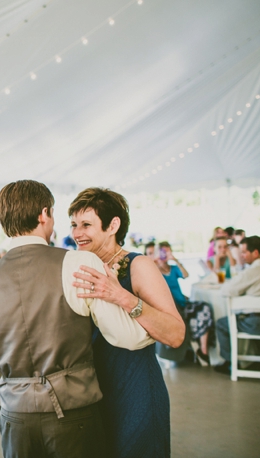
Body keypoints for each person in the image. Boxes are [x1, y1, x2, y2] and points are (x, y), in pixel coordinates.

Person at [0, 180, 155, 458]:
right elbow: (125, 336)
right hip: (73, 416)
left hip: (15, 418)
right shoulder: (79, 263)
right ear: (44, 214)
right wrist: (151, 318)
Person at [68, 187, 185, 458]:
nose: (76, 233)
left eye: (86, 224)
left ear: (113, 225)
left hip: (135, 386)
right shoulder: (79, 265)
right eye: (74, 225)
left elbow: (176, 334)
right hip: (93, 391)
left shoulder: (138, 265)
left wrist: (121, 296)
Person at [214, 236, 260, 374]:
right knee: (258, 319)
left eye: (244, 252)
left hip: (255, 323)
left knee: (222, 323)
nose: (242, 255)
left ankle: (230, 362)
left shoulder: (251, 272)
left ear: (256, 253)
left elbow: (226, 290)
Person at [155, 241, 214, 365]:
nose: (165, 254)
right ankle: (196, 348)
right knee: (199, 312)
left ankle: (203, 350)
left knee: (205, 308)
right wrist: (156, 263)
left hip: (183, 303)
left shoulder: (174, 268)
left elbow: (186, 275)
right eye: (163, 252)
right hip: (173, 307)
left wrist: (175, 260)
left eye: (167, 251)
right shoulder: (155, 271)